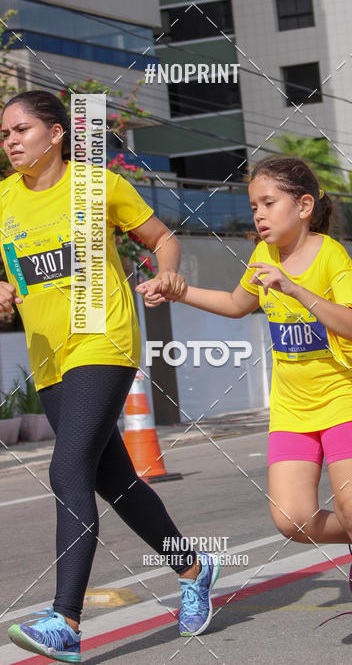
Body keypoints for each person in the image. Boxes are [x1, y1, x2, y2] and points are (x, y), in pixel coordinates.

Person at [137, 155, 352, 659]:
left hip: (345, 399)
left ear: (304, 205)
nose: (259, 215)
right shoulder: (262, 254)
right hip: (292, 408)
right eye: (254, 206)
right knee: (292, 521)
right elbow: (236, 304)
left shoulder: (330, 255)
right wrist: (177, 290)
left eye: (269, 203)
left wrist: (295, 288)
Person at [0, 91, 218, 664]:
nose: (11, 141)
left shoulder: (99, 186)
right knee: (115, 481)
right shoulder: (3, 199)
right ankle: (193, 568)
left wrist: (167, 275)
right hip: (49, 355)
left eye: (21, 130)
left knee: (66, 467)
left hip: (104, 339)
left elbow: (163, 239)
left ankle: (66, 622)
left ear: (56, 134)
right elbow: (11, 273)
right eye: (5, 134)